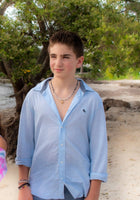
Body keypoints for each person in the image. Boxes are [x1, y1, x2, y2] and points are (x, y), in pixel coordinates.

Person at [15, 30, 108, 200]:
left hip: (78, 190)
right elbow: (25, 144)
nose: (58, 63)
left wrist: (94, 193)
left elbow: (99, 149)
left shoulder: (92, 100)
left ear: (79, 61)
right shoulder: (34, 97)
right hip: (40, 189)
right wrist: (23, 185)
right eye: (53, 56)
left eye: (66, 57)